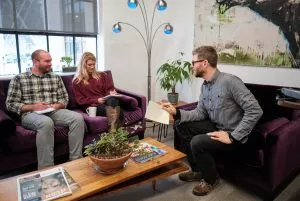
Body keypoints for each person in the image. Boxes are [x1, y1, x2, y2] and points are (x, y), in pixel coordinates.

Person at [162, 46, 263, 196]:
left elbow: (255, 110)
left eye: (193, 62)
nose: (191, 66)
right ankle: (197, 170)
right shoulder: (205, 86)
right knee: (180, 124)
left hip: (234, 135)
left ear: (204, 63)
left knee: (197, 141)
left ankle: (211, 179)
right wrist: (176, 112)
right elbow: (200, 112)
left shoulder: (230, 82)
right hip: (217, 126)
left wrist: (232, 136)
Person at [6, 49, 85, 170]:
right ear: (35, 62)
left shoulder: (55, 77)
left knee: (77, 118)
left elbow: (64, 99)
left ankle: (75, 161)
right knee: (46, 122)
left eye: (50, 61)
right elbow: (10, 104)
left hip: (53, 111)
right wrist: (34, 106)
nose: (50, 64)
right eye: (47, 61)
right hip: (30, 114)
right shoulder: (19, 79)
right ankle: (46, 168)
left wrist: (55, 106)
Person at [72, 52, 124, 128]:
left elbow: (109, 88)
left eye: (94, 64)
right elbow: (80, 100)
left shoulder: (102, 75)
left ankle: (114, 134)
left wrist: (111, 92)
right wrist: (96, 100)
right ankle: (117, 134)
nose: (92, 67)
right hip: (93, 106)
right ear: (83, 65)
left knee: (113, 100)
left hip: (106, 101)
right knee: (116, 112)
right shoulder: (77, 81)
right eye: (89, 65)